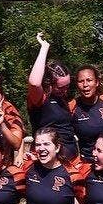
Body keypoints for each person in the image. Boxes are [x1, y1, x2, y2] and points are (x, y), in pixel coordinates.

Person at [27, 33, 78, 161]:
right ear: (49, 83)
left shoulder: (63, 100)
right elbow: (34, 82)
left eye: (67, 86)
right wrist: (44, 48)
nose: (65, 91)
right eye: (61, 87)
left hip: (70, 158)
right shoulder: (40, 98)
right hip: (47, 159)